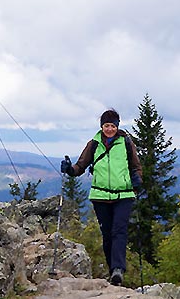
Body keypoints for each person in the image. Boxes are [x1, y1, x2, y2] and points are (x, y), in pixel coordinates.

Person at [61, 109, 143, 286]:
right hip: (100, 196)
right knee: (107, 235)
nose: (109, 129)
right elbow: (80, 166)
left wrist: (137, 179)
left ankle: (118, 270)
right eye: (106, 125)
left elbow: (136, 165)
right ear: (102, 126)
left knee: (119, 231)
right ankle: (112, 271)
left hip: (124, 194)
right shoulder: (94, 144)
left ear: (117, 126)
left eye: (113, 126)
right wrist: (69, 169)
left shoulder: (126, 143)